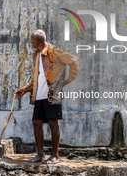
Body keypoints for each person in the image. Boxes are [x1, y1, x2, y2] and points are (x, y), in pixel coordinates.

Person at [15, 29, 79, 164]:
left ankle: (55, 155)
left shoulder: (53, 51)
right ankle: (40, 155)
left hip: (52, 94)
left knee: (52, 122)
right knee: (36, 122)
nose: (31, 42)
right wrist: (25, 89)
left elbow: (74, 60)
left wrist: (66, 81)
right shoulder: (37, 54)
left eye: (32, 40)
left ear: (37, 41)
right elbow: (37, 77)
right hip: (39, 94)